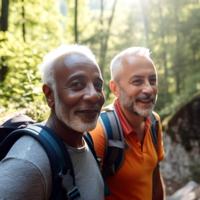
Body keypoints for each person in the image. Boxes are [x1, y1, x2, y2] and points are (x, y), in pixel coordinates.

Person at [0, 45, 105, 200]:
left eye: (97, 85)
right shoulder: (27, 164)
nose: (94, 95)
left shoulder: (85, 140)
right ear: (50, 95)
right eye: (77, 84)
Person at [90, 47, 165, 200]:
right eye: (137, 81)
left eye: (152, 80)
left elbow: (154, 176)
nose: (149, 89)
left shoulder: (154, 122)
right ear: (115, 88)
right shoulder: (100, 133)